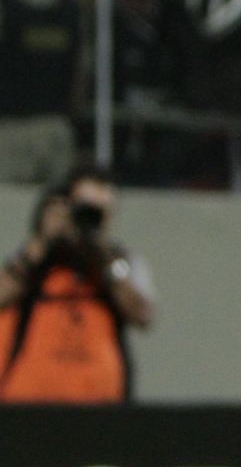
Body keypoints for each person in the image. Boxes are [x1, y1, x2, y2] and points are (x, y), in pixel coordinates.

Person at [0, 165, 156, 403]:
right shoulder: (34, 262)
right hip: (27, 410)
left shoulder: (119, 263)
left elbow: (143, 315)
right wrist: (44, 241)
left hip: (99, 414)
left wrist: (100, 254)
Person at [0, 0, 82, 186]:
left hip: (10, 130)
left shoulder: (7, 7)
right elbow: (81, 71)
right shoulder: (69, 8)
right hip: (58, 127)